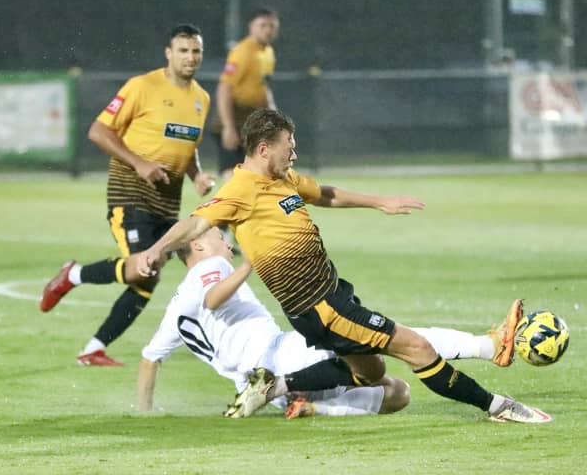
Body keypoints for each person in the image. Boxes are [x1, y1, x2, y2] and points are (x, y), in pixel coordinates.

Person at [135, 108, 552, 423]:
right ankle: (499, 405)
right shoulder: (240, 188)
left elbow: (326, 194)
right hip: (321, 307)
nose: (294, 151)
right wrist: (156, 250)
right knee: (416, 348)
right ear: (264, 149)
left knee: (370, 372)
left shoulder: (285, 179)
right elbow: (195, 223)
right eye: (288, 145)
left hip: (329, 296)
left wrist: (379, 202)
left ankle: (276, 385)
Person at [136, 227, 516, 419]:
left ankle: (313, 408)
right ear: (198, 248)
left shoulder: (174, 311)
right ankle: (488, 345)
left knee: (397, 392)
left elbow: (150, 359)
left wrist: (145, 411)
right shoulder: (211, 266)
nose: (226, 241)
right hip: (284, 354)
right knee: (384, 337)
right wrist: (254, 260)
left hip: (262, 390)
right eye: (217, 236)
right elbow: (213, 296)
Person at [39, 24, 216, 367]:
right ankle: (72, 274)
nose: (190, 57)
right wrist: (139, 163)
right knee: (140, 270)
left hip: (168, 201)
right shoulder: (143, 86)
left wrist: (197, 175)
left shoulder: (201, 98)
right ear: (168, 52)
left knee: (148, 278)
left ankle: (93, 349)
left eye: (196, 51)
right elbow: (98, 130)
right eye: (183, 50)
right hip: (131, 193)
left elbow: (186, 144)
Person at [214, 7, 279, 182]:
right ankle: (228, 208)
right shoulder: (243, 52)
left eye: (272, 25)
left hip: (254, 119)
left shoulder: (268, 52)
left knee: (259, 172)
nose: (268, 29)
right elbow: (224, 88)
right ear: (251, 26)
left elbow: (264, 86)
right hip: (236, 117)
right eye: (263, 25)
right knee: (234, 174)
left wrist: (273, 113)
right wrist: (228, 127)